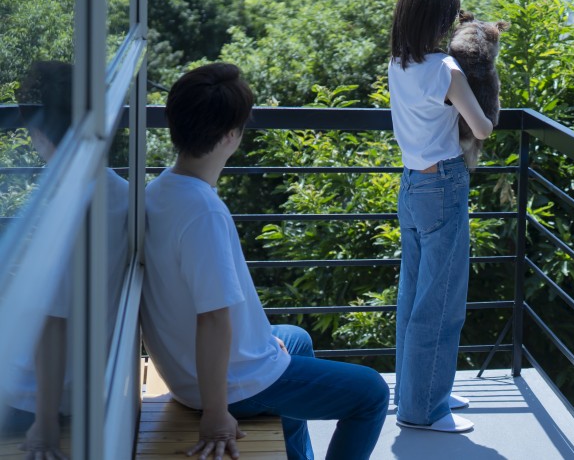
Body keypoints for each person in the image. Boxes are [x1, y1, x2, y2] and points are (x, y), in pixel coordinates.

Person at [140, 62, 388, 460]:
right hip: (229, 386)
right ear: (231, 135)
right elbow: (214, 319)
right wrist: (217, 414)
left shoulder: (158, 191)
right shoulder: (203, 212)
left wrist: (258, 342)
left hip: (188, 370)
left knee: (296, 339)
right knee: (371, 393)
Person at [3, 61, 129, 460]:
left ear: (37, 133)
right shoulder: (120, 191)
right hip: (93, 379)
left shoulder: (65, 207)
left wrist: (45, 424)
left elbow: (51, 324)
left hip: (35, 396)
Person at [388, 0, 493, 433]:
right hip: (444, 186)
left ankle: (422, 390)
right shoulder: (446, 70)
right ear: (439, 19)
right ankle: (424, 410)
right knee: (442, 301)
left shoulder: (397, 62)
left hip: (411, 185)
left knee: (414, 295)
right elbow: (483, 127)